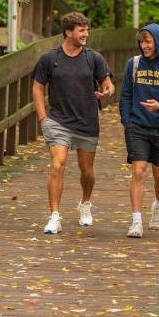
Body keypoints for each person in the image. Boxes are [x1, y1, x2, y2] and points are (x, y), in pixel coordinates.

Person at [32, 12, 115, 234]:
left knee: (86, 170)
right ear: (68, 32)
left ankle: (85, 204)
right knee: (57, 164)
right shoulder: (50, 59)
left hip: (87, 121)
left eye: (87, 30)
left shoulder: (93, 58)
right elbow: (38, 87)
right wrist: (42, 117)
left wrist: (107, 91)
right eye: (81, 30)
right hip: (59, 121)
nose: (86, 34)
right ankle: (54, 216)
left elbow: (107, 82)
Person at [119, 23, 159, 238]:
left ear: (157, 41)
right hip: (137, 127)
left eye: (148, 41)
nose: (144, 46)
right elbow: (126, 94)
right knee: (138, 171)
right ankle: (136, 220)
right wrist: (127, 121)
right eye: (141, 42)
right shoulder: (133, 64)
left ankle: (157, 206)